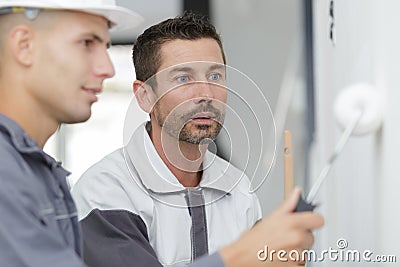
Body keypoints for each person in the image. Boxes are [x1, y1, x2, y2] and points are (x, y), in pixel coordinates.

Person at [71, 12, 324, 267]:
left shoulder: (238, 190)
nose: (205, 93)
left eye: (215, 77)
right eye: (183, 78)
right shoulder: (105, 192)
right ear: (145, 96)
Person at [0, 0, 142, 266]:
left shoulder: (36, 171)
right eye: (87, 42)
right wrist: (235, 257)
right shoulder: (5, 172)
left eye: (106, 46)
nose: (107, 69)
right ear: (24, 46)